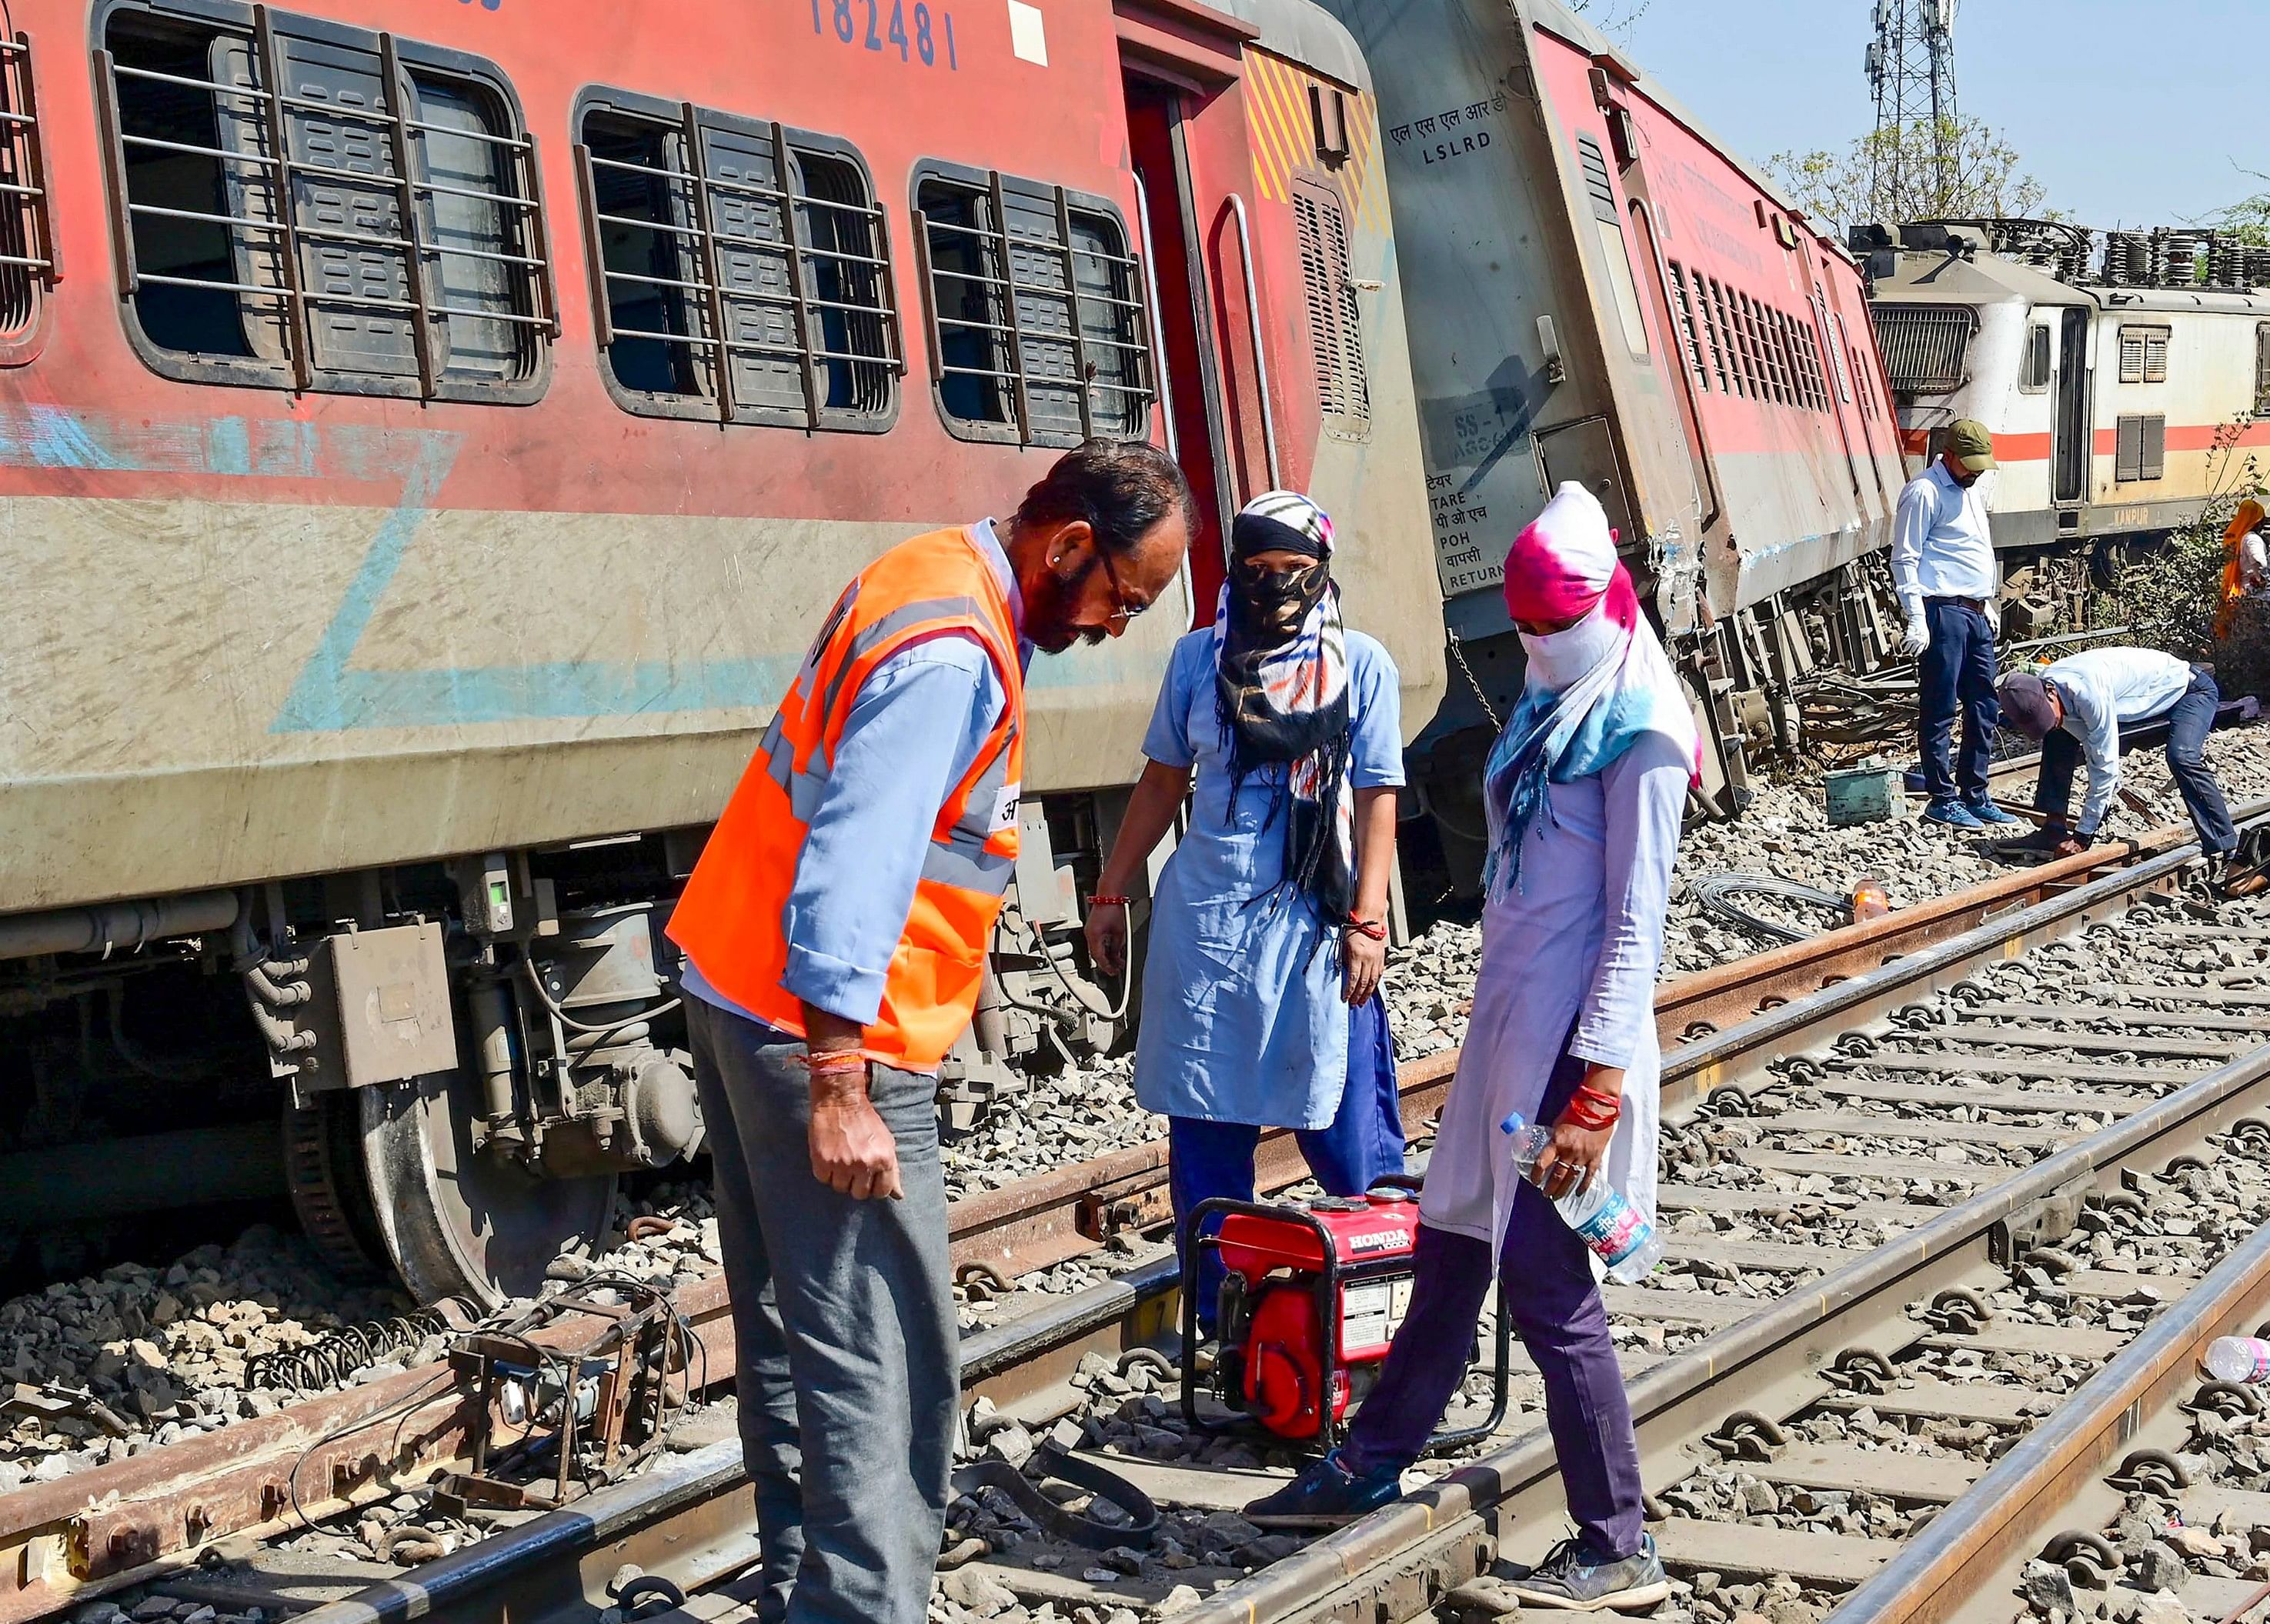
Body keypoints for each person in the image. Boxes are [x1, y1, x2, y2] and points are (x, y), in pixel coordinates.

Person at [665, 441, 1193, 1624]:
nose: (1115, 625)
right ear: (1067, 545)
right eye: (1123, 594)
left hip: (740, 987)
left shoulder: (927, 569)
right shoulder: (955, 652)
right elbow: (857, 853)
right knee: (887, 1358)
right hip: (828, 1031)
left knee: (801, 1331)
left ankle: (811, 1591)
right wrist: (841, 1077)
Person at [1243, 483, 1696, 1613]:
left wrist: (1596, 1088)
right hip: (1512, 1022)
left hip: (1571, 1045)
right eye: (1526, 624)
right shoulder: (1562, 694)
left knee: (1547, 1284)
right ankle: (1372, 1458)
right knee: (1449, 1243)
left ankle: (1618, 1539)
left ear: (1605, 602)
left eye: (1556, 625)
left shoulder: (1642, 722)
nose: (1538, 642)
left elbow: (1638, 918)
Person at [1084, 491, 1408, 1331]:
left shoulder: (1362, 664)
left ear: (1321, 571)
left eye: (1291, 573)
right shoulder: (1197, 661)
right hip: (1209, 922)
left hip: (1318, 920)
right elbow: (1162, 780)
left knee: (1341, 1115)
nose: (1273, 590)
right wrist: (1112, 887)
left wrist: (1368, 919)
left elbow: (1375, 794)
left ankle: (1385, 1295)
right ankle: (1222, 1321)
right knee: (1202, 1120)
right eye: (1256, 573)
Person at [1993, 645, 2238, 869]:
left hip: (2190, 692)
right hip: (2138, 700)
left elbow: (2104, 764)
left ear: (2049, 692)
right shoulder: (2050, 685)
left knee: (2182, 756)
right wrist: (2105, 793)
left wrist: (2083, 836)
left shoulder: (2090, 693)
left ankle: (2225, 846)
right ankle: (2053, 829)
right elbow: (2090, 744)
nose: (2050, 721)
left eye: (2047, 715)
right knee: (2058, 735)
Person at [1889, 419, 2015, 829]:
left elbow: (1971, 548)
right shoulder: (1924, 492)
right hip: (1943, 611)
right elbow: (1905, 557)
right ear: (1950, 455)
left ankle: (1975, 793)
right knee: (1940, 706)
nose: (1977, 471)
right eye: (1971, 463)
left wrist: (1986, 601)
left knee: (1984, 705)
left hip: (1976, 612)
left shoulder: (1969, 490)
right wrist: (1916, 617)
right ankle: (1941, 797)